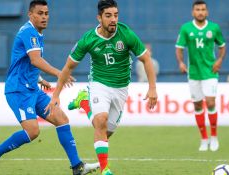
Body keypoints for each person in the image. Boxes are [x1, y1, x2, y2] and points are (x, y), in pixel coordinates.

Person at [0, 1, 99, 175]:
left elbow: (24, 62)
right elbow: (35, 60)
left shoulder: (35, 33)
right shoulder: (29, 32)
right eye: (40, 13)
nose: (44, 17)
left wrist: (39, 78)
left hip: (32, 89)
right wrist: (60, 74)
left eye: (46, 13)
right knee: (32, 131)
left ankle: (77, 167)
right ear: (30, 15)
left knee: (61, 119)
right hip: (18, 90)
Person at [45, 0, 158, 174]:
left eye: (116, 15)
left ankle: (84, 103)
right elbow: (68, 67)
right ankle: (105, 170)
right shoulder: (89, 39)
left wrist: (152, 88)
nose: (113, 19)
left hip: (121, 88)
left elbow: (146, 59)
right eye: (108, 16)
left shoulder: (126, 34)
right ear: (99, 18)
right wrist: (56, 95)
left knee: (106, 132)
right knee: (101, 121)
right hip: (99, 84)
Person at [175, 0, 226, 152]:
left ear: (207, 12)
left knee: (210, 103)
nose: (200, 12)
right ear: (193, 12)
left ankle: (214, 137)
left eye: (203, 9)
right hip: (194, 73)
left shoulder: (214, 28)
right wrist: (181, 63)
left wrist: (219, 61)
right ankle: (204, 139)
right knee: (197, 105)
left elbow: (222, 46)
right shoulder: (186, 28)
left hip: (210, 72)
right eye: (197, 9)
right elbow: (179, 48)